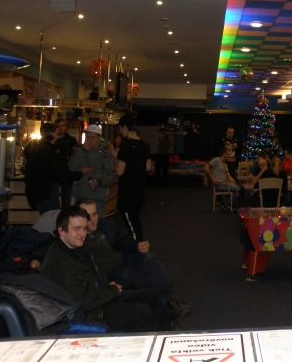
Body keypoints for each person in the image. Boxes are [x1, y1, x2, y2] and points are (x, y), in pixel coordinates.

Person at [40, 206, 170, 332]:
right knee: (142, 313)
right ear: (61, 230)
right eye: (76, 228)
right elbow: (81, 302)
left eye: (84, 228)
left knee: (151, 295)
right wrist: (110, 291)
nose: (82, 233)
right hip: (88, 313)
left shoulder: (73, 248)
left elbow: (87, 284)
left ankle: (167, 336)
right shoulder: (60, 262)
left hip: (97, 299)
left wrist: (107, 287)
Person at [76, 199, 192, 328]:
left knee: (149, 258)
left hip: (121, 259)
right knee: (142, 280)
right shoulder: (78, 238)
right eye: (88, 216)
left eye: (95, 214)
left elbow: (122, 241)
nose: (93, 219)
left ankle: (171, 301)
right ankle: (167, 318)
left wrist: (137, 246)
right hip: (108, 272)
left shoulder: (105, 224)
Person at [24, 123, 82, 213]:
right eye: (56, 134)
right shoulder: (45, 152)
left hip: (38, 194)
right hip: (46, 193)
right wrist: (79, 174)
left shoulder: (36, 149)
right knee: (51, 218)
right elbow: (56, 173)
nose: (57, 137)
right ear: (50, 134)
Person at [114, 114, 152, 241]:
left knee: (132, 224)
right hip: (139, 189)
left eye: (120, 128)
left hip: (127, 191)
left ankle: (138, 247)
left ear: (124, 127)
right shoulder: (145, 145)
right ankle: (138, 244)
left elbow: (119, 171)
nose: (120, 131)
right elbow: (148, 167)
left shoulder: (125, 146)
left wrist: (115, 158)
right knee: (134, 219)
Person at [68, 124, 117, 217]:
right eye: (88, 137)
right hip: (81, 194)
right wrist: (83, 151)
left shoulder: (106, 154)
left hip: (98, 195)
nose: (90, 140)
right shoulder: (79, 151)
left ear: (99, 137)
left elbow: (112, 175)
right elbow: (71, 167)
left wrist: (99, 182)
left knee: (96, 221)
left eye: (93, 137)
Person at [54, 117, 79, 208]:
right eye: (59, 126)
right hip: (55, 172)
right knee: (54, 200)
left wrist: (61, 153)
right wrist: (65, 153)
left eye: (63, 125)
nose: (61, 128)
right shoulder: (54, 140)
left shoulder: (71, 140)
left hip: (67, 172)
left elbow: (75, 154)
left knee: (66, 200)